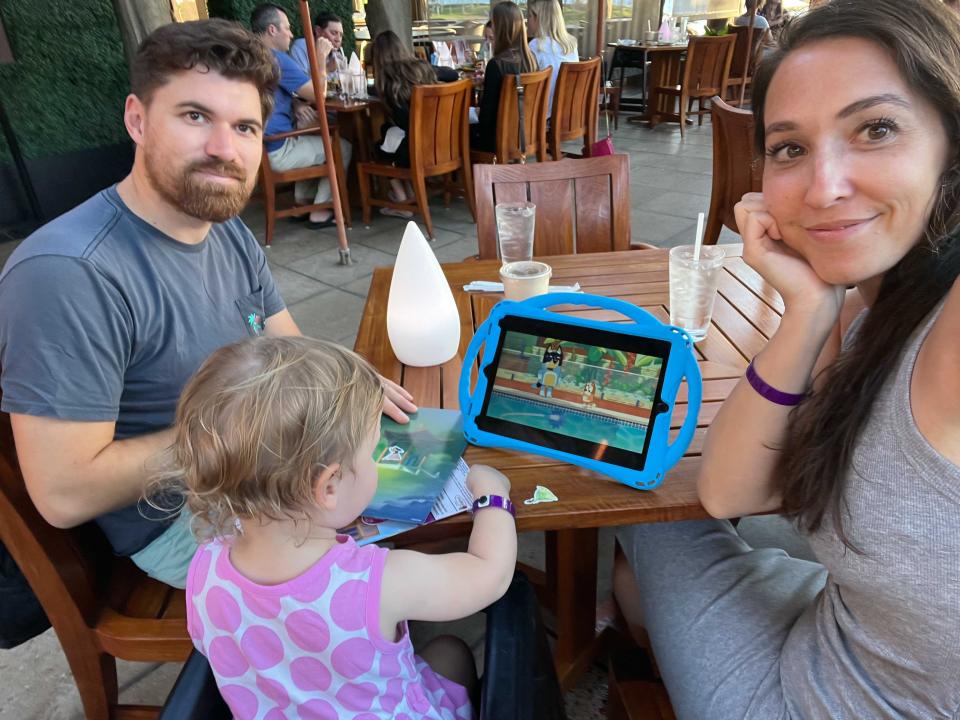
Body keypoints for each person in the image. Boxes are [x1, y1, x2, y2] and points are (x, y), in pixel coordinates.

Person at [613, 0, 960, 717]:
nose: (822, 187)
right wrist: (809, 309)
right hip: (845, 631)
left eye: (876, 129)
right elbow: (730, 494)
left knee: (634, 497)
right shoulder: (876, 313)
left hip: (801, 701)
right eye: (790, 148)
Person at [0, 19, 416, 590]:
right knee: (419, 565)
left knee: (430, 481)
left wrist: (350, 377)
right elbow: (64, 493)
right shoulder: (69, 272)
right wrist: (251, 425)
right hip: (187, 520)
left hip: (272, 470)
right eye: (195, 116)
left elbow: (286, 343)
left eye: (244, 126)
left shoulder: (222, 229)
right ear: (137, 119)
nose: (224, 149)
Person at [172, 336, 517, 719]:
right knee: (451, 651)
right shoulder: (378, 581)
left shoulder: (205, 569)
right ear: (329, 487)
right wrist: (492, 494)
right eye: (373, 451)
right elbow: (489, 574)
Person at [251, 3, 351, 230]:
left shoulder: (250, 57)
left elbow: (283, 91)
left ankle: (302, 201)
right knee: (341, 146)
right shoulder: (277, 59)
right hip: (278, 148)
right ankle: (320, 211)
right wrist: (319, 57)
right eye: (286, 28)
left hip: (260, 144)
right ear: (272, 30)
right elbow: (319, 94)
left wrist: (295, 103)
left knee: (313, 139)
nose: (291, 33)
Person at [370, 30, 447, 217]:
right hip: (441, 144)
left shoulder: (388, 80)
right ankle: (410, 193)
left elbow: (405, 123)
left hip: (416, 149)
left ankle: (401, 197)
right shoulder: (421, 67)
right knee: (388, 132)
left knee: (380, 144)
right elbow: (451, 73)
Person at [471, 1, 538, 155]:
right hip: (524, 135)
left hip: (496, 141)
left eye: (493, 24)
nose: (491, 29)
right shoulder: (531, 59)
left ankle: (465, 175)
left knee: (453, 129)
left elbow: (486, 120)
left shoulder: (496, 65)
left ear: (500, 29)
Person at [526, 0, 579, 117]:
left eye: (529, 16)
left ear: (539, 19)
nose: (527, 21)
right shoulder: (571, 44)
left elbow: (527, 84)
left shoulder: (536, 45)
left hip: (545, 116)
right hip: (569, 115)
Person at [290, 11, 345, 77]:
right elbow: (302, 84)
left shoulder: (333, 55)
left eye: (341, 35)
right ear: (318, 31)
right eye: (333, 33)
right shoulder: (301, 47)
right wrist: (327, 68)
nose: (338, 39)